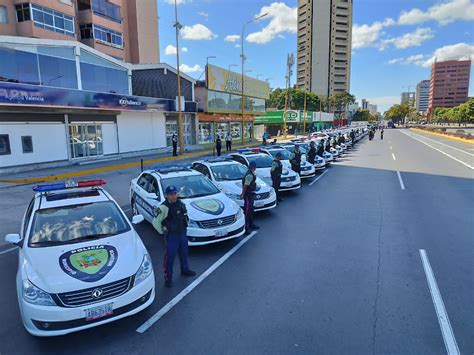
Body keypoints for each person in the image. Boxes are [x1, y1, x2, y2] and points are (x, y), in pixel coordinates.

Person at [153, 186, 196, 288]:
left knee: (184, 254)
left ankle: (185, 270)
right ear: (166, 195)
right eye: (171, 194)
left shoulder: (180, 204)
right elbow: (156, 222)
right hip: (172, 236)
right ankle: (168, 279)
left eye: (174, 193)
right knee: (170, 258)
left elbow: (185, 216)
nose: (173, 196)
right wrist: (162, 232)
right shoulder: (163, 207)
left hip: (182, 234)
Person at [240, 161, 259, 234]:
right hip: (248, 195)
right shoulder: (249, 175)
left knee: (251, 211)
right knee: (247, 212)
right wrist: (242, 194)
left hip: (251, 195)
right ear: (254, 167)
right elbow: (245, 185)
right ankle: (246, 228)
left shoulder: (250, 173)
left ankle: (251, 224)